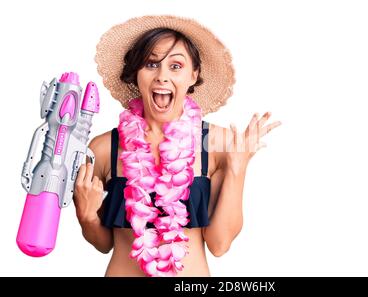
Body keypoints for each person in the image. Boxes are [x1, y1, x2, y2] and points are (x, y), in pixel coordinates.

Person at [73, 15, 281, 277]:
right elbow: (103, 244)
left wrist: (237, 168)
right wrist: (87, 215)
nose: (161, 76)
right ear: (136, 73)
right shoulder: (104, 148)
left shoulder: (216, 144)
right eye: (151, 64)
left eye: (175, 66)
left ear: (193, 75)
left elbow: (219, 244)